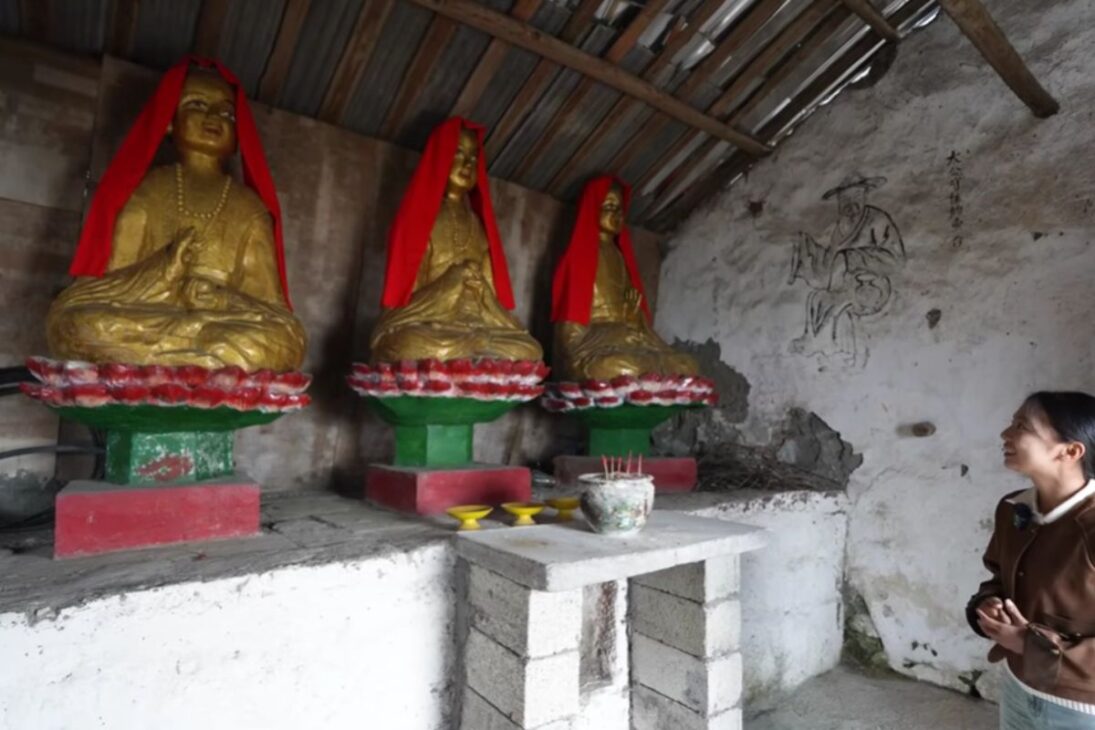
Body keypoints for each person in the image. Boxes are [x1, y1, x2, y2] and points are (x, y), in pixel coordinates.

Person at [967, 391, 1095, 728]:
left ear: (1070, 451)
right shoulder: (1013, 508)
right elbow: (998, 575)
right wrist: (989, 602)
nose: (1005, 434)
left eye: (1022, 426)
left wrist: (1028, 643)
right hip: (1017, 684)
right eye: (1012, 422)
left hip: (1080, 709)